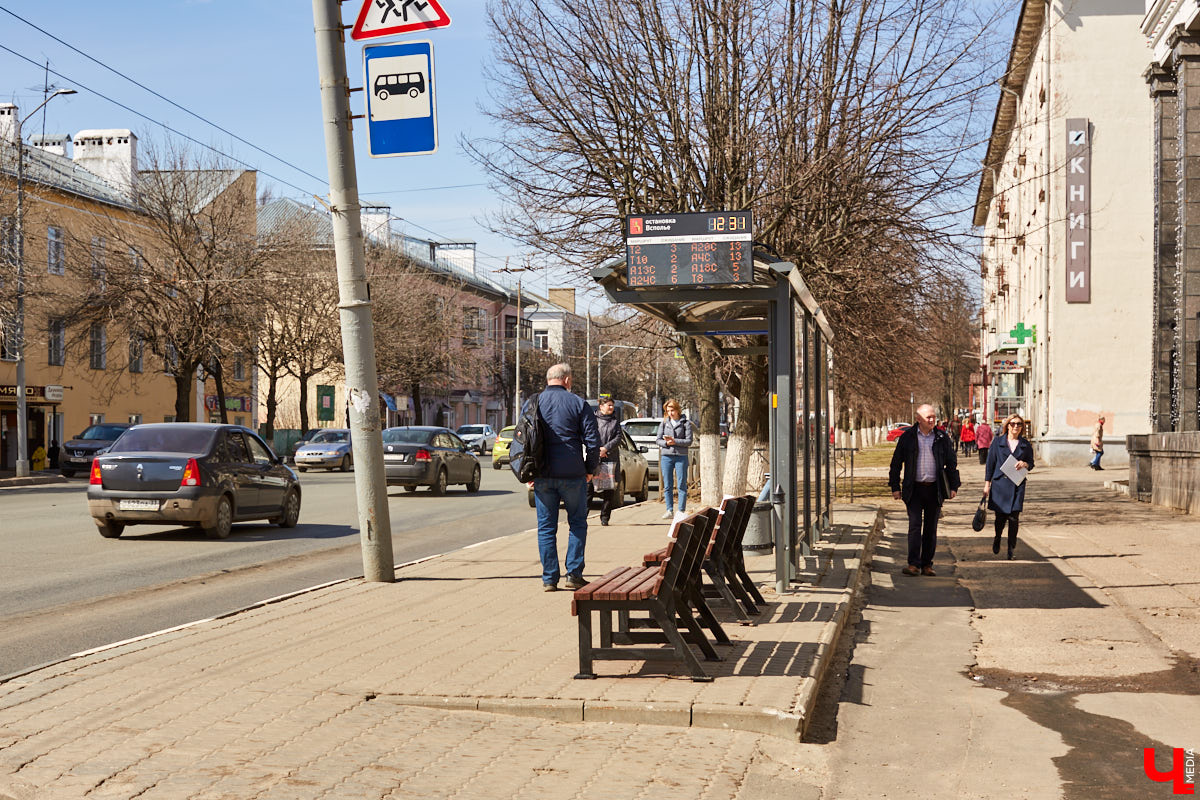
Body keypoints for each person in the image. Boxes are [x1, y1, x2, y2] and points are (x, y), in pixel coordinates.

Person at [530, 363, 600, 592]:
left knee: (546, 528)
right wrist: (590, 469)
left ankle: (550, 579)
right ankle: (574, 574)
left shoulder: (533, 403)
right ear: (567, 380)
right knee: (578, 523)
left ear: (548, 379)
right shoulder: (578, 403)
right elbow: (592, 441)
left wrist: (529, 472)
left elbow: (524, 439)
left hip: (542, 473)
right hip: (573, 472)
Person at [888, 403, 961, 576]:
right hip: (914, 489)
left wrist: (953, 486)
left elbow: (951, 463)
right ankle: (913, 564)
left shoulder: (941, 437)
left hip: (934, 489)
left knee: (930, 528)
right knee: (914, 526)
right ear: (918, 419)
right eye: (928, 417)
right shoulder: (909, 437)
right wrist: (895, 487)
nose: (932, 420)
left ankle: (927, 564)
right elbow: (896, 463)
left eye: (933, 417)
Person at [984, 414, 1035, 560]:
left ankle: (1011, 548)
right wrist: (987, 484)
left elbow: (1031, 463)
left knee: (1014, 518)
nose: (1015, 427)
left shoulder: (1025, 444)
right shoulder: (998, 442)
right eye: (1012, 424)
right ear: (1007, 426)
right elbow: (990, 463)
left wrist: (1025, 464)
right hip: (1000, 484)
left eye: (1019, 424)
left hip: (1017, 484)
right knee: (1000, 517)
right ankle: (998, 537)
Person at [656, 399, 697, 519]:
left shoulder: (685, 423)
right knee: (667, 485)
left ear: (677, 410)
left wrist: (675, 441)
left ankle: (681, 511)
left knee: (681, 485)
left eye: (672, 410)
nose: (670, 413)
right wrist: (666, 443)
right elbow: (658, 439)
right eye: (668, 411)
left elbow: (689, 441)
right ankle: (669, 510)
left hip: (681, 456)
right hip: (666, 456)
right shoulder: (664, 422)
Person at [594, 397, 623, 526]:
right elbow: (589, 435)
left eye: (612, 405)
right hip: (594, 457)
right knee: (589, 489)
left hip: (609, 458)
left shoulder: (615, 422)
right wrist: (598, 449)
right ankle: (582, 516)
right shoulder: (593, 420)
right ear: (601, 407)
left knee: (608, 491)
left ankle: (605, 517)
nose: (611, 407)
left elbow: (618, 437)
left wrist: (606, 448)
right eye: (608, 405)